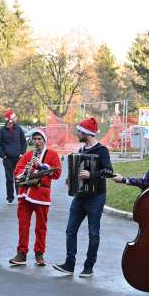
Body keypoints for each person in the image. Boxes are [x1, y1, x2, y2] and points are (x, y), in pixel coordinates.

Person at [53, 118, 113, 278]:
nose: (77, 133)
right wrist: (71, 180)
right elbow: (78, 171)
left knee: (93, 233)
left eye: (79, 131)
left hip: (96, 198)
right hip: (79, 197)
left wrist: (92, 174)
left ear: (86, 133)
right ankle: (69, 264)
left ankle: (88, 267)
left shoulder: (102, 151)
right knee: (70, 230)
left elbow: (109, 171)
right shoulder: (82, 150)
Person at [9, 128, 62, 267]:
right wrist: (27, 169)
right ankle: (21, 253)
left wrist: (42, 166)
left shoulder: (52, 154)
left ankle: (39, 253)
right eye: (35, 139)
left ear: (44, 141)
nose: (37, 142)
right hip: (24, 195)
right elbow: (17, 172)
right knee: (23, 225)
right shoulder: (27, 155)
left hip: (41, 196)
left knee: (41, 227)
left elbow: (57, 174)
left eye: (39, 139)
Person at [0, 109, 26, 204]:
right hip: (7, 158)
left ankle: (19, 194)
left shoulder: (19, 129)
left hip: (18, 158)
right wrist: (2, 155)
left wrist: (22, 153)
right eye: (13, 117)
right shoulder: (1, 131)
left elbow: (23, 142)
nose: (15, 119)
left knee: (19, 177)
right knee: (9, 179)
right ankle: (10, 197)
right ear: (9, 119)